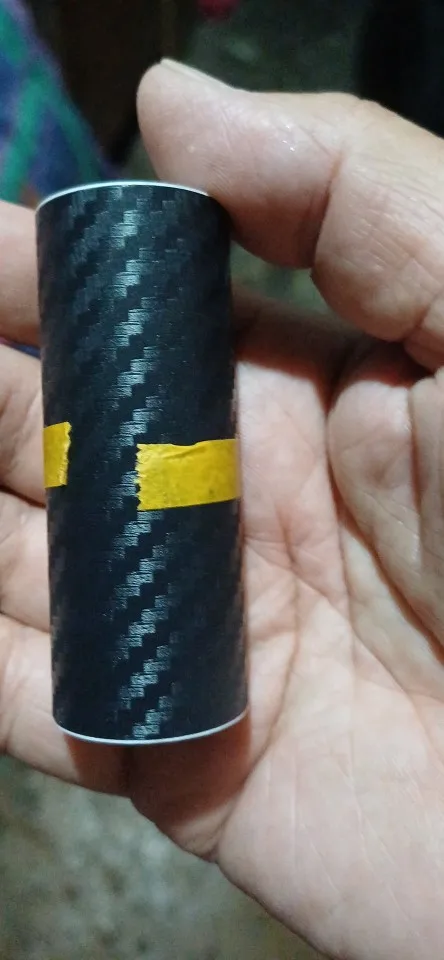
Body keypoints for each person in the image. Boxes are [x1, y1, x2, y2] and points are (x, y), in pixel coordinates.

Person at [1, 59, 444, 960]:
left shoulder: (161, 259)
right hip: (142, 668)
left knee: (156, 477)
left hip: (213, 680)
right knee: (103, 471)